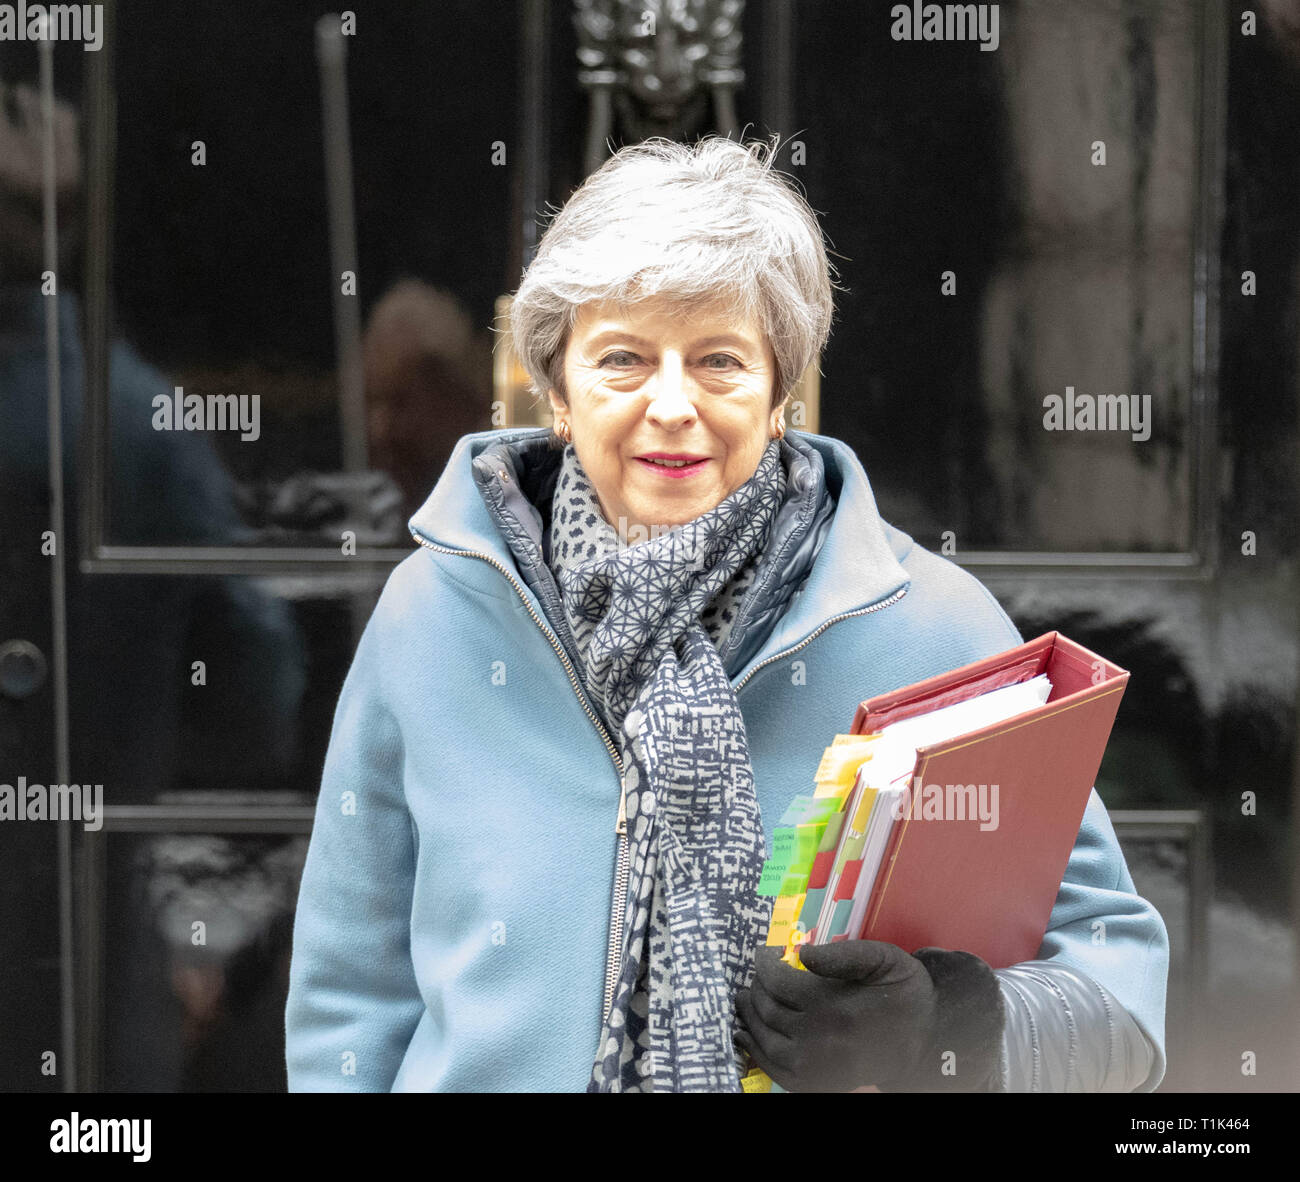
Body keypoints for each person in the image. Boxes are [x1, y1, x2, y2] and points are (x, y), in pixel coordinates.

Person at [284, 134, 1168, 1093]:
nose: (672, 404)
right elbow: (350, 1002)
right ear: (558, 393)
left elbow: (1117, 1007)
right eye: (623, 359)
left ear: (782, 390)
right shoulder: (436, 613)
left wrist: (950, 1025)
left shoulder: (937, 630)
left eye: (720, 361)